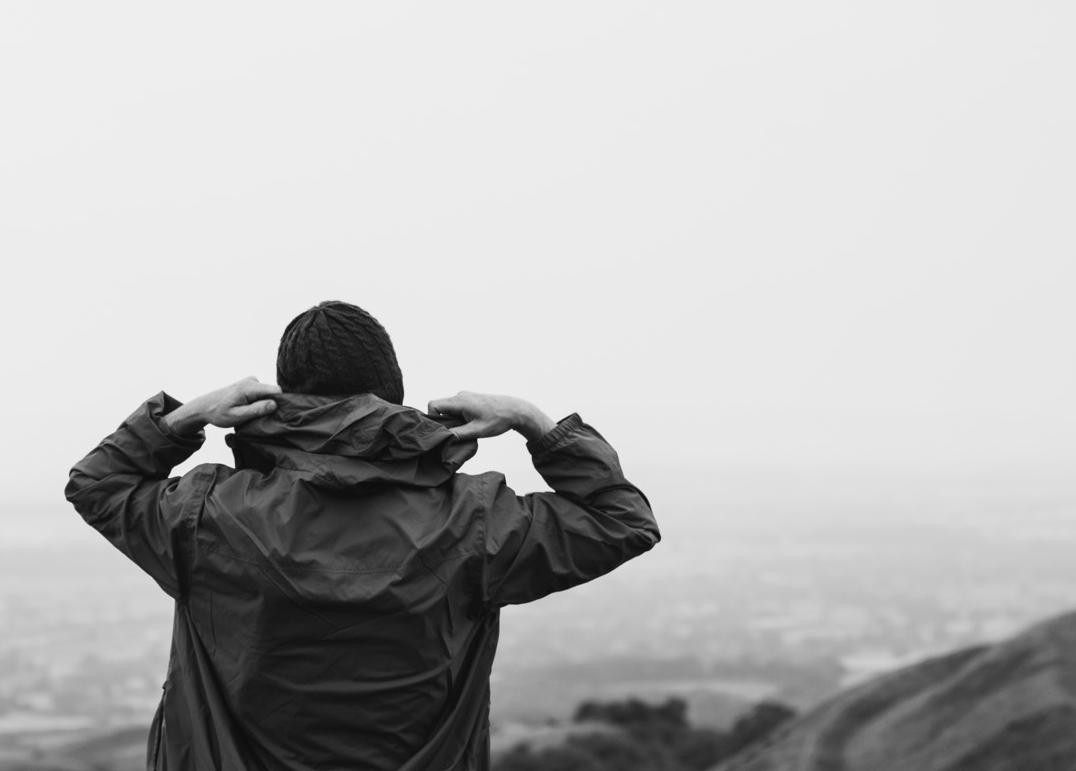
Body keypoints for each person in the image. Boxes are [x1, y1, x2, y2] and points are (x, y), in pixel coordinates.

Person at [66, 301, 659, 771]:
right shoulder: (476, 522)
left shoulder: (208, 515)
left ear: (281, 396)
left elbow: (98, 483)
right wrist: (531, 419)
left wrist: (189, 415)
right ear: (391, 391)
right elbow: (621, 519)